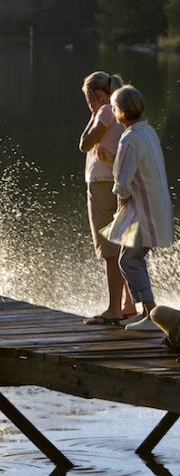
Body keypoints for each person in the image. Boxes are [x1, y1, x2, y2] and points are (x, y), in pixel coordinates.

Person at [101, 85, 174, 331]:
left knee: (129, 260)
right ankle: (148, 312)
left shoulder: (129, 138)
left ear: (121, 111)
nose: (113, 111)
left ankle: (152, 315)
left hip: (143, 211)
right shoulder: (148, 131)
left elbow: (122, 184)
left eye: (114, 107)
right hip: (157, 207)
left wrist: (120, 213)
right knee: (132, 259)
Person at [78, 71, 135, 325]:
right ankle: (128, 304)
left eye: (88, 96)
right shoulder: (120, 109)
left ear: (95, 94)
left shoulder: (103, 112)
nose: (88, 102)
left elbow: (84, 144)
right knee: (123, 243)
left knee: (109, 249)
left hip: (102, 184)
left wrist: (93, 112)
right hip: (118, 183)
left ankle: (114, 309)